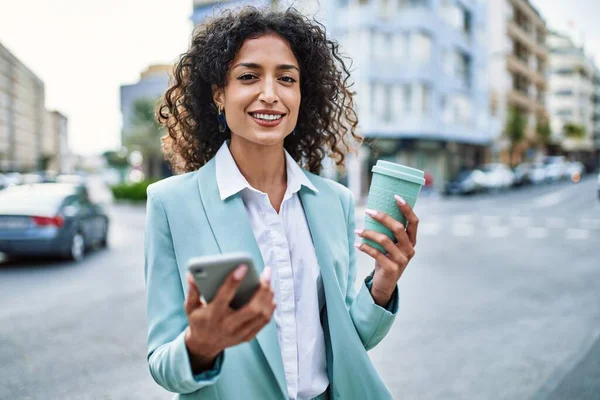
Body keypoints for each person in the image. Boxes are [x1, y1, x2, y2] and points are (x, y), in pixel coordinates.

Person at [144, 6, 420, 400]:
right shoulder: (171, 204)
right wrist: (199, 345)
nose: (270, 94)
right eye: (248, 76)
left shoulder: (333, 202)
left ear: (301, 95)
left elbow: (346, 342)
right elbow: (162, 363)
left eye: (286, 78)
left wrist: (383, 282)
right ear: (219, 94)